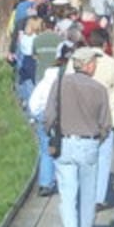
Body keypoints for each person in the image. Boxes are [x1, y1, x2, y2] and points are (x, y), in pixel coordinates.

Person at [44, 47, 112, 227]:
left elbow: (48, 116)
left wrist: (52, 133)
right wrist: (96, 139)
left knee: (67, 193)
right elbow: (106, 124)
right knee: (88, 193)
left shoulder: (60, 83)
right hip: (88, 144)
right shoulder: (99, 89)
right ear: (89, 64)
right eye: (95, 62)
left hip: (64, 143)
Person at [87, 29, 114, 208]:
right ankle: (99, 197)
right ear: (105, 44)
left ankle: (86, 193)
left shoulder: (79, 62)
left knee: (87, 156)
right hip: (107, 116)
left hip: (84, 115)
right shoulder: (113, 64)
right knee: (104, 158)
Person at [29, 50, 73, 198]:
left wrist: (36, 116)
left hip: (44, 117)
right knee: (63, 150)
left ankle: (45, 183)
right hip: (63, 117)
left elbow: (33, 102)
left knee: (45, 149)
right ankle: (63, 182)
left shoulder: (44, 81)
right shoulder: (68, 81)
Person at [32, 13, 63, 83]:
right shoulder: (61, 40)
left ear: (44, 25)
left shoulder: (37, 39)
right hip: (56, 75)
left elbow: (34, 56)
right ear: (55, 25)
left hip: (41, 74)